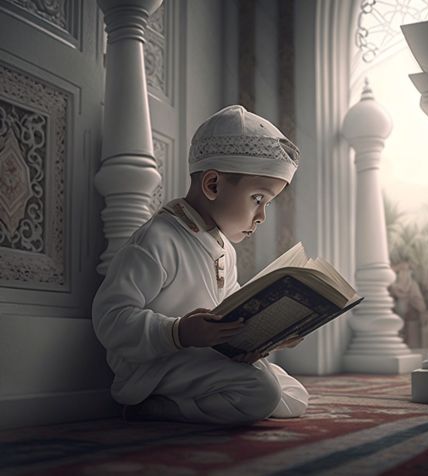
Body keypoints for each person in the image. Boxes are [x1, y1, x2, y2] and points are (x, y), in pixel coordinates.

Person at [92, 104, 309, 425]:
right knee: (262, 391)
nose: (262, 216)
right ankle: (156, 407)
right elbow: (110, 320)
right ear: (213, 185)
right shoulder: (157, 240)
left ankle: (194, 401)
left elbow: (231, 309)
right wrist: (177, 332)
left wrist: (265, 337)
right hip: (157, 364)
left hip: (202, 358)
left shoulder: (223, 247)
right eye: (258, 199)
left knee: (293, 394)